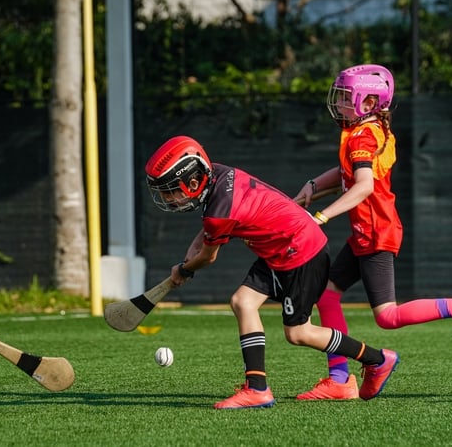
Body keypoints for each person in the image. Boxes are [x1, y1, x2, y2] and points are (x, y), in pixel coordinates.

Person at [293, 64, 452, 401]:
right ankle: (339, 380)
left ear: (368, 101)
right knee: (327, 294)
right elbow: (347, 171)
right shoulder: (364, 129)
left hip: (376, 234)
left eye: (347, 98)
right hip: (366, 233)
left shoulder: (364, 134)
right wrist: (314, 185)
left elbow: (362, 187)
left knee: (387, 316)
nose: (340, 103)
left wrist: (322, 215)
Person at [145, 135, 400, 409]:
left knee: (299, 333)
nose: (167, 198)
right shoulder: (217, 173)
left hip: (302, 253)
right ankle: (257, 389)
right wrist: (190, 255)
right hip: (278, 249)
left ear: (193, 182)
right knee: (242, 302)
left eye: (170, 190)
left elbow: (208, 256)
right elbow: (209, 230)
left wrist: (184, 269)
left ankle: (377, 360)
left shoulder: (219, 211)